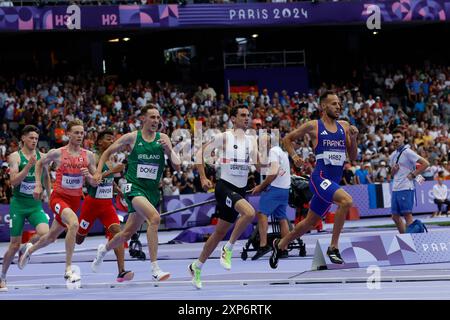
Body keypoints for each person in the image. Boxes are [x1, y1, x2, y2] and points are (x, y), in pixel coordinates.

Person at [270, 91, 359, 269]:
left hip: (333, 181)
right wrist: (294, 157)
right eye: (334, 104)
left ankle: (280, 245)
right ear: (324, 106)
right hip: (320, 178)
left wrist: (354, 138)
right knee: (346, 202)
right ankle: (333, 248)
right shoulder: (314, 126)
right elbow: (287, 139)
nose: (338, 106)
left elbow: (353, 157)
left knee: (309, 223)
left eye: (339, 104)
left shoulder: (344, 126)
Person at [91, 105, 180, 282]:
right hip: (134, 188)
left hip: (152, 191)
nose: (156, 121)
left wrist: (169, 151)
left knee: (126, 234)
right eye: (152, 117)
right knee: (154, 218)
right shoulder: (132, 138)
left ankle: (103, 251)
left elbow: (177, 166)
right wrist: (98, 172)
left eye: (158, 117)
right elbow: (107, 152)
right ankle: (155, 268)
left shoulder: (163, 138)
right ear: (143, 119)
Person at [18, 119, 98, 283]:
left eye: (82, 133)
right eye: (76, 132)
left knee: (51, 237)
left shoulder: (88, 156)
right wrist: (39, 185)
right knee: (74, 224)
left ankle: (29, 250)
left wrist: (89, 175)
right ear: (68, 134)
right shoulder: (57, 153)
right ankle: (68, 270)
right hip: (59, 197)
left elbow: (95, 181)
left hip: (75, 200)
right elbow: (40, 164)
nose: (79, 136)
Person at [188, 105, 258, 289]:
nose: (246, 118)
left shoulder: (252, 141)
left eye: (248, 115)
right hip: (225, 187)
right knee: (249, 213)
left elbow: (260, 165)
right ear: (233, 119)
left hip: (241, 190)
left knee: (219, 232)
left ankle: (197, 266)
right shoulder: (224, 137)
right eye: (242, 115)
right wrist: (203, 177)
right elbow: (199, 153)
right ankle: (229, 248)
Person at [76, 129, 134, 282]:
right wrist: (113, 171)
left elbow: (109, 181)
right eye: (108, 139)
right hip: (91, 205)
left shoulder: (110, 158)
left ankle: (121, 271)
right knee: (79, 239)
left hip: (107, 204)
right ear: (100, 142)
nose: (111, 142)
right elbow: (95, 180)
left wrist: (118, 190)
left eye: (112, 139)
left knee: (118, 233)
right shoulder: (93, 158)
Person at [0, 125, 51, 292]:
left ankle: (27, 246)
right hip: (18, 205)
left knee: (45, 233)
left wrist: (50, 196)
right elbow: (13, 182)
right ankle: (2, 277)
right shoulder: (15, 157)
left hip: (35, 204)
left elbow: (46, 178)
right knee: (13, 245)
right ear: (23, 138)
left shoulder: (42, 156)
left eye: (36, 138)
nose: (34, 141)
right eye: (31, 138)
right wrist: (28, 166)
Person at [250, 133, 291, 260]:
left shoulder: (273, 151)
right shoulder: (280, 152)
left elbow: (272, 173)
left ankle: (263, 245)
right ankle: (283, 249)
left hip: (275, 189)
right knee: (282, 218)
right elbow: (261, 169)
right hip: (284, 189)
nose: (261, 145)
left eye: (263, 142)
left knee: (262, 214)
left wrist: (260, 187)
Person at [389, 128, 429, 233]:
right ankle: (405, 239)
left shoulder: (407, 152)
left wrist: (414, 174)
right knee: (395, 217)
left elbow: (425, 163)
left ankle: (412, 238)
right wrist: (393, 171)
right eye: (394, 137)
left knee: (407, 215)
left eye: (398, 137)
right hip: (396, 188)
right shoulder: (393, 155)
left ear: (403, 138)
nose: (396, 139)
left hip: (406, 187)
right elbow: (392, 175)